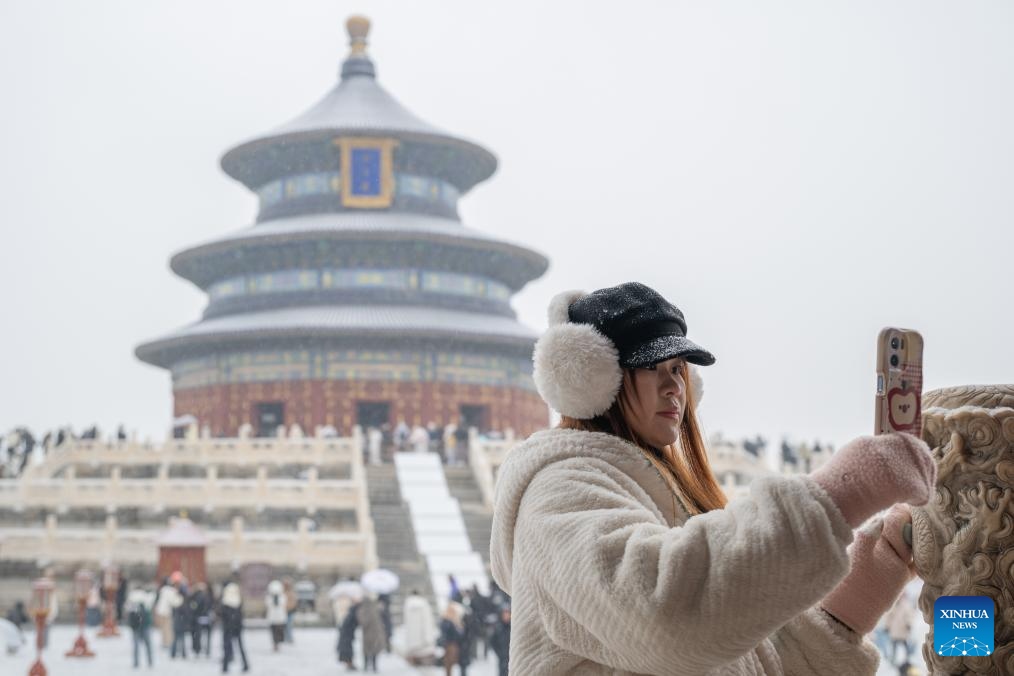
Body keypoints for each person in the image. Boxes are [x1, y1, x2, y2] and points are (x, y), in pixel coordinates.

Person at [488, 282, 939, 676]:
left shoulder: (650, 489)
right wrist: (848, 489)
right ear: (593, 380)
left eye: (678, 370)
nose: (674, 388)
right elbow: (666, 613)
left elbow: (746, 661)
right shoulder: (558, 491)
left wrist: (867, 580)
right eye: (651, 367)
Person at [401, 589, 437, 666]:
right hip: (422, 636)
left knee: (414, 652)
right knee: (424, 652)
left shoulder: (407, 604)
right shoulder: (424, 604)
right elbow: (427, 620)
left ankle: (415, 661)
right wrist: (428, 636)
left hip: (412, 637)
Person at [220, 578, 249, 673]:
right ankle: (245, 664)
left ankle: (225, 666)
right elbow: (240, 615)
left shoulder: (225, 601)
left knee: (227, 647)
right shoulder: (238, 600)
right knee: (240, 646)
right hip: (237, 627)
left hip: (228, 627)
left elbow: (223, 615)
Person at [356, 592, 386, 672]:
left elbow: (362, 622)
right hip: (369, 633)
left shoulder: (364, 610)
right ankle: (368, 665)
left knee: (371, 650)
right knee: (369, 650)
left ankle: (371, 665)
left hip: (371, 633)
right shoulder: (372, 608)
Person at [884, 591, 916, 665]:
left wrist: (909, 624)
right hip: (894, 629)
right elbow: (889, 616)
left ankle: (907, 658)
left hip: (902, 630)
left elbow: (910, 616)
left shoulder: (906, 605)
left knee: (905, 645)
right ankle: (893, 659)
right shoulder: (893, 605)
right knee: (894, 645)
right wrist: (887, 626)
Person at [438, 601, 470, 676]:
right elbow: (457, 633)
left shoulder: (446, 621)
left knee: (449, 663)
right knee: (449, 663)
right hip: (451, 644)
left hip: (449, 643)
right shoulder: (449, 622)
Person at [126, 586, 154, 668]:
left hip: (136, 626)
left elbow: (128, 613)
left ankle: (136, 663)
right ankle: (150, 662)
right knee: (148, 645)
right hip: (144, 625)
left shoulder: (132, 600)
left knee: (136, 645)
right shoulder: (146, 599)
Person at [153, 576, 176, 648]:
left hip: (160, 611)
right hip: (167, 612)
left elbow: (156, 600)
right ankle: (168, 643)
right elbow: (174, 601)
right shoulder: (171, 590)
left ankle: (164, 642)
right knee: (168, 628)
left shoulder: (161, 590)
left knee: (163, 629)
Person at [337, 599, 360, 670]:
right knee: (347, 650)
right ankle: (349, 663)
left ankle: (349, 663)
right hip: (347, 635)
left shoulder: (350, 612)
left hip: (346, 634)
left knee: (347, 650)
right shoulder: (353, 613)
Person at [264, 580, 287, 652]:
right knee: (273, 632)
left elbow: (283, 604)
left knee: (279, 632)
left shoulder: (282, 596)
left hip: (280, 618)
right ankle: (275, 644)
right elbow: (268, 605)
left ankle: (277, 643)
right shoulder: (269, 597)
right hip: (272, 617)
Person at [489, 606, 511, 676]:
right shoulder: (498, 627)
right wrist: (499, 652)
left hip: (511, 657)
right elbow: (492, 641)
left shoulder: (512, 627)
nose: (506, 616)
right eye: (505, 614)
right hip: (502, 657)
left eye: (508, 614)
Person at [282, 577, 297, 644]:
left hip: (289, 612)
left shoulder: (291, 593)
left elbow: (293, 602)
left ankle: (289, 639)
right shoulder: (282, 592)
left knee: (289, 626)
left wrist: (288, 608)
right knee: (284, 626)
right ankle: (285, 638)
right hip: (283, 612)